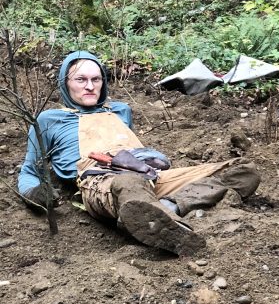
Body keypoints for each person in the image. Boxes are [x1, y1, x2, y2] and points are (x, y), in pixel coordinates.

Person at [18, 50, 260, 255]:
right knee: (127, 183)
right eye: (81, 80)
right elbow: (30, 170)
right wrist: (36, 193)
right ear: (65, 83)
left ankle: (166, 207)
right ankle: (172, 228)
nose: (90, 86)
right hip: (102, 181)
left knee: (243, 171)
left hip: (149, 175)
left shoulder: (121, 110)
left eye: (96, 79)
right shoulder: (49, 120)